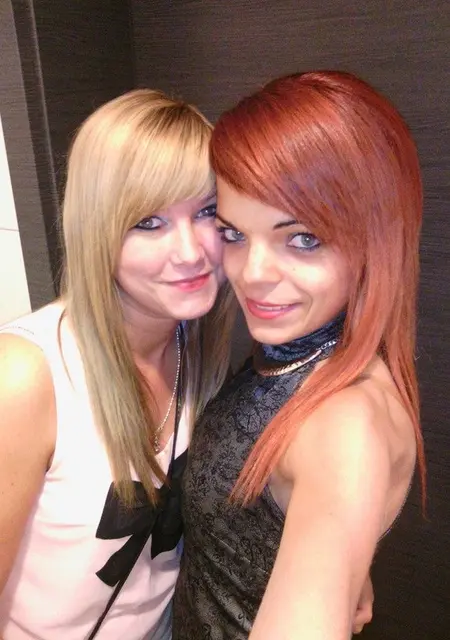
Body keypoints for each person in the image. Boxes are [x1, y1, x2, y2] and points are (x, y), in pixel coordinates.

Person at [173, 70, 425, 639]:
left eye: (303, 238)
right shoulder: (298, 350)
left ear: (375, 240)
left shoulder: (342, 426)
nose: (252, 274)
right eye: (234, 234)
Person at [0, 89, 235, 640]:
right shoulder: (27, 377)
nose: (191, 253)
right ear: (97, 231)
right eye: (149, 222)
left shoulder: (198, 341)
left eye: (207, 211)